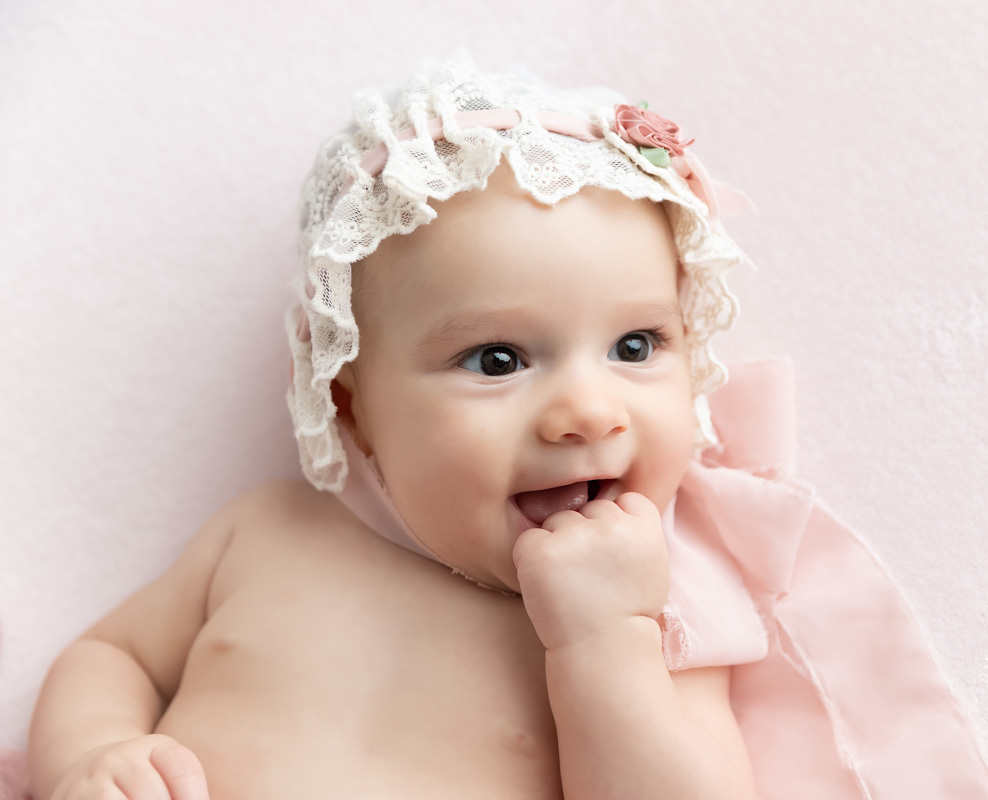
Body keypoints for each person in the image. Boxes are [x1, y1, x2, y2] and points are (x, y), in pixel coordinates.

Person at [26, 51, 762, 800]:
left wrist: (605, 642)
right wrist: (95, 753)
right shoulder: (268, 530)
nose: (588, 413)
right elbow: (112, 655)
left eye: (635, 347)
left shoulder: (658, 603)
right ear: (353, 407)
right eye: (498, 360)